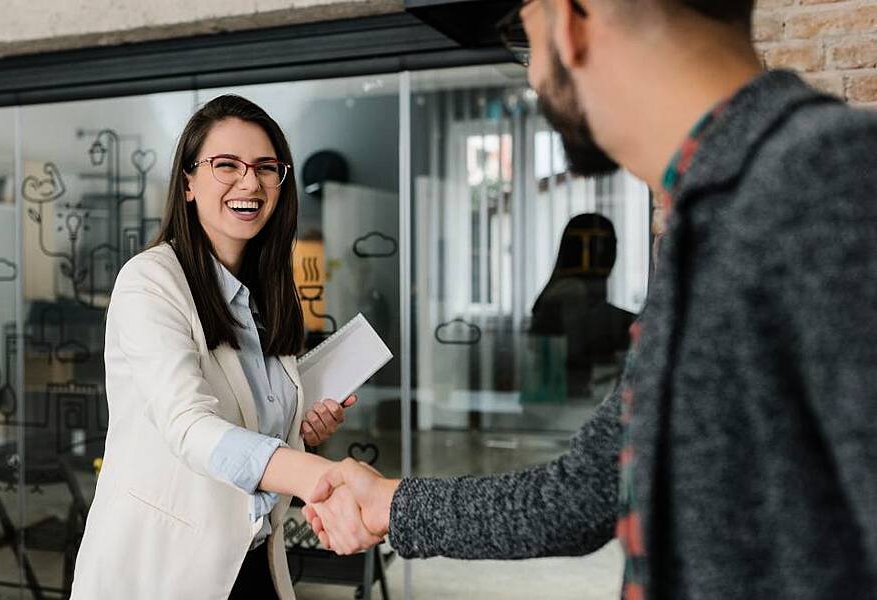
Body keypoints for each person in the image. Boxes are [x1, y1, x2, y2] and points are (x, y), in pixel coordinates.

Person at [305, 1, 877, 598]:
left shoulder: (832, 179)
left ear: (571, 21)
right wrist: (387, 504)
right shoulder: (708, 222)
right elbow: (581, 496)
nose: (530, 73)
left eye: (520, 35)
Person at [70, 95, 367, 599]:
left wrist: (300, 420)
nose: (249, 182)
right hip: (162, 573)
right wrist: (320, 475)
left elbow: (249, 423)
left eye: (266, 168)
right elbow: (189, 426)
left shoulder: (266, 292)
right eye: (225, 165)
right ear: (187, 181)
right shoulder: (150, 280)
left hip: (252, 563)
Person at [530, 213, 637, 398]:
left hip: (575, 397)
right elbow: (583, 342)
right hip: (564, 403)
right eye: (606, 246)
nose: (610, 255)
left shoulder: (571, 288)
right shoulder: (571, 289)